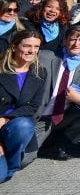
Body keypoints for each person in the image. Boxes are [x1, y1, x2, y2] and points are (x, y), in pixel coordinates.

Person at [36, 25, 80, 160]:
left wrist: (78, 99)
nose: (76, 44)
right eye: (72, 39)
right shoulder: (46, 56)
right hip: (40, 116)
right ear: (65, 40)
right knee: (24, 157)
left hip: (64, 116)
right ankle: (44, 144)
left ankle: (61, 144)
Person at [0, 31, 46, 181]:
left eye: (36, 46)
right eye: (26, 46)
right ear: (14, 46)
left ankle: (11, 164)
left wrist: (6, 119)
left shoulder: (39, 72)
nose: (32, 51)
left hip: (14, 124)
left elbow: (33, 106)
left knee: (25, 125)